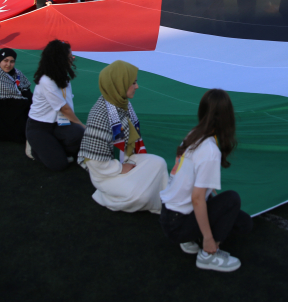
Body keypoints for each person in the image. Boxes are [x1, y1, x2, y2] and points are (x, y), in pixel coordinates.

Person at [159, 89, 253, 272]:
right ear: (227, 117)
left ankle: (190, 237)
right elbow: (197, 198)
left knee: (243, 222)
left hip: (169, 215)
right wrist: (209, 239)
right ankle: (208, 254)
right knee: (232, 199)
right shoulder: (210, 150)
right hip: (177, 223)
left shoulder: (194, 134)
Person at [78, 60, 168, 213]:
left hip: (124, 158)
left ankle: (165, 201)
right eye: (133, 83)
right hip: (105, 172)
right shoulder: (100, 116)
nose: (137, 86)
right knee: (140, 196)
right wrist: (120, 167)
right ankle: (104, 196)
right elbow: (95, 164)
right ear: (119, 84)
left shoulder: (121, 103)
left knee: (159, 163)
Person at [25, 40, 85, 171]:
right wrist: (82, 125)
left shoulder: (62, 77)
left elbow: (67, 106)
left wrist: (80, 129)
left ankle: (53, 148)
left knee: (78, 134)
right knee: (59, 165)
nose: (73, 59)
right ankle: (34, 149)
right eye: (70, 57)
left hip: (58, 124)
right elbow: (65, 108)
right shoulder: (47, 80)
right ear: (60, 59)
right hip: (39, 127)